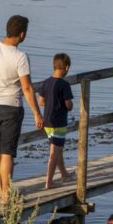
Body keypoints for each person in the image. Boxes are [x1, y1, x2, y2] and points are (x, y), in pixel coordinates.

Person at [0, 15, 42, 202]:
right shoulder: (20, 57)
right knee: (7, 152)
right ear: (22, 34)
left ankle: (1, 189)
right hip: (11, 107)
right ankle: (6, 193)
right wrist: (37, 113)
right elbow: (27, 88)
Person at [37, 53, 74, 189]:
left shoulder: (46, 82)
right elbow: (68, 105)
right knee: (54, 152)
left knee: (57, 149)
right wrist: (69, 106)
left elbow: (41, 101)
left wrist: (51, 103)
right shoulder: (64, 84)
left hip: (47, 122)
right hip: (59, 123)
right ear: (66, 67)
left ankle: (64, 174)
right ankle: (49, 182)